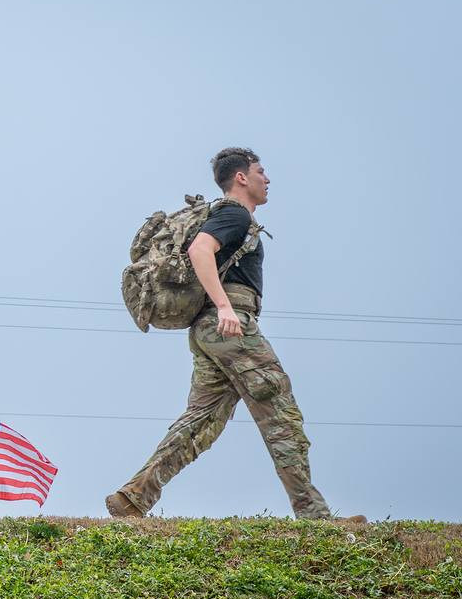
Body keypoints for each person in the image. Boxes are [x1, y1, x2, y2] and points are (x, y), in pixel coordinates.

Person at [106, 148, 363, 522]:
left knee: (202, 420)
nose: (268, 178)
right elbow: (200, 249)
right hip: (229, 325)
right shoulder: (233, 213)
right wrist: (225, 307)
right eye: (261, 171)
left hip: (209, 331)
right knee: (279, 410)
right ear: (241, 177)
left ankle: (133, 498)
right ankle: (315, 517)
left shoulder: (227, 215)